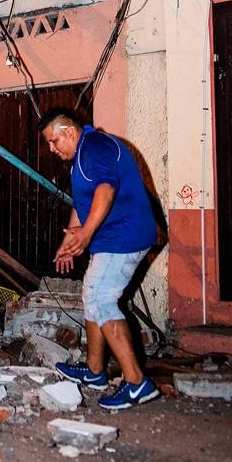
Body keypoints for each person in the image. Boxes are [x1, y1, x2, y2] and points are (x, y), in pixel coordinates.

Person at [39, 107, 160, 411]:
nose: (52, 149)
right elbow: (84, 203)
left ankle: (136, 383)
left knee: (101, 299)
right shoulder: (83, 155)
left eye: (54, 141)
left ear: (68, 131)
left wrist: (87, 233)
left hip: (124, 236)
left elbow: (105, 191)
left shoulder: (94, 147)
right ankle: (95, 373)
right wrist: (70, 241)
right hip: (114, 237)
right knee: (91, 295)